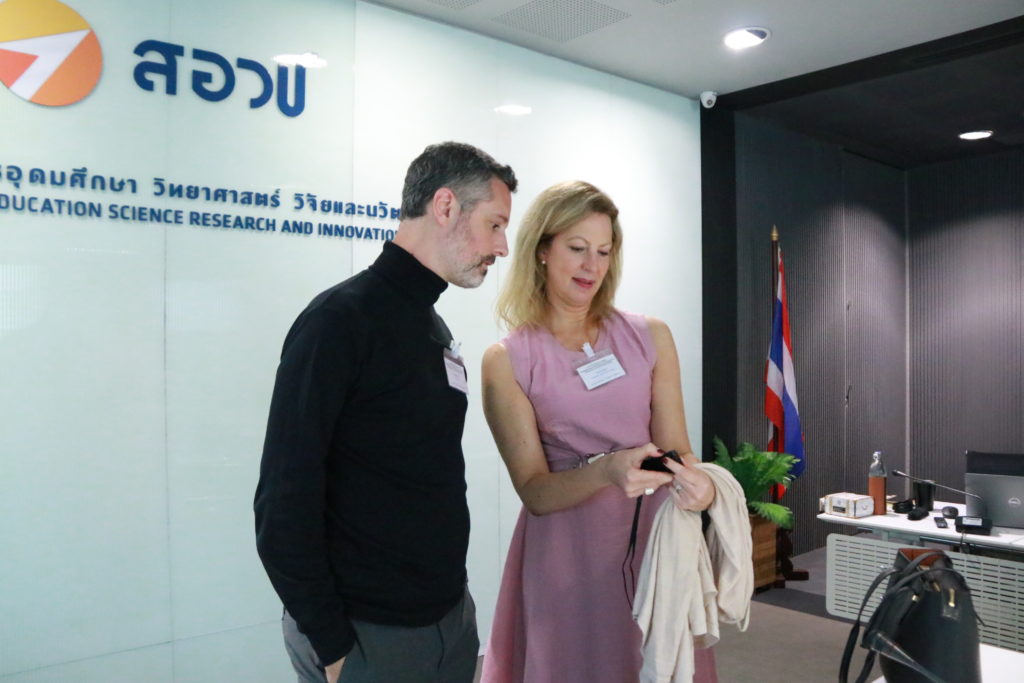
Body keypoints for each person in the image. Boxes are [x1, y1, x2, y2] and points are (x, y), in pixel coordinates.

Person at [254, 142, 517, 683]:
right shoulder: (338, 322)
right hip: (366, 634)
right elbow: (282, 502)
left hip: (447, 620)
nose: (503, 246)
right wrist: (332, 645)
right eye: (494, 225)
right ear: (445, 206)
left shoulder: (429, 325)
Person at [478, 180, 718, 683]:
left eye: (604, 251)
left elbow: (679, 451)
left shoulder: (650, 335)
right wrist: (607, 471)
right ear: (542, 250)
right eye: (577, 248)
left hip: (653, 543)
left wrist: (701, 487)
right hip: (568, 555)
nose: (592, 265)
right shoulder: (507, 360)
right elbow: (535, 492)